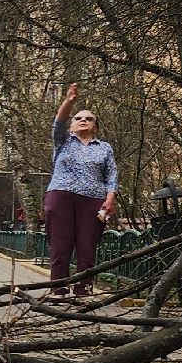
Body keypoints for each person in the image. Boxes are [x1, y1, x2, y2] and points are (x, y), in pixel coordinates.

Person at [44, 83, 118, 296]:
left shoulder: (104, 148)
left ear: (95, 126)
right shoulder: (63, 141)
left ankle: (83, 291)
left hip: (93, 200)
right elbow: (59, 121)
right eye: (78, 118)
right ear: (71, 125)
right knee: (61, 246)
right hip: (61, 197)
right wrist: (69, 101)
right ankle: (58, 290)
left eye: (89, 118)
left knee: (87, 248)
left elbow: (111, 175)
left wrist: (110, 198)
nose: (83, 120)